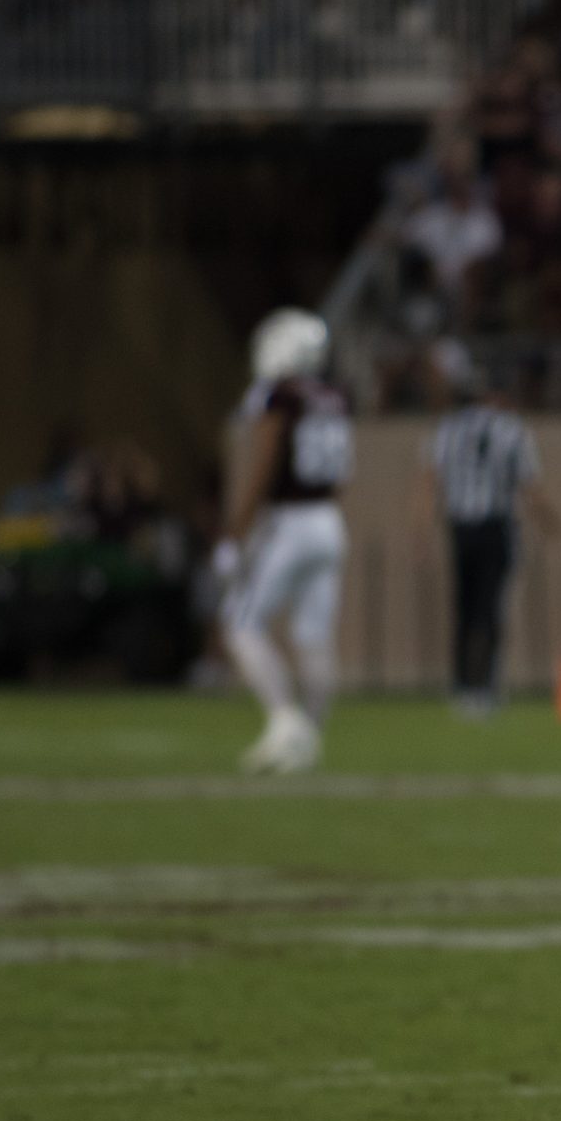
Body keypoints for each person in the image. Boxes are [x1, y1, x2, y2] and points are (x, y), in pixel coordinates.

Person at [219, 308, 352, 775]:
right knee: (314, 635)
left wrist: (234, 535)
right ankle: (309, 741)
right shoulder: (333, 396)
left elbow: (264, 465)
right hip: (330, 521)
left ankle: (284, 721)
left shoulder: (280, 396)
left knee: (240, 622)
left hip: (290, 522)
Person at [416, 350, 561, 717]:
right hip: (496, 527)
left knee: (464, 608)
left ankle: (463, 685)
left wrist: (421, 529)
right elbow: (531, 487)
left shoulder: (448, 428)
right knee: (490, 608)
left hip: (461, 526)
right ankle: (485, 687)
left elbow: (429, 483)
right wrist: (550, 522)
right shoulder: (511, 430)